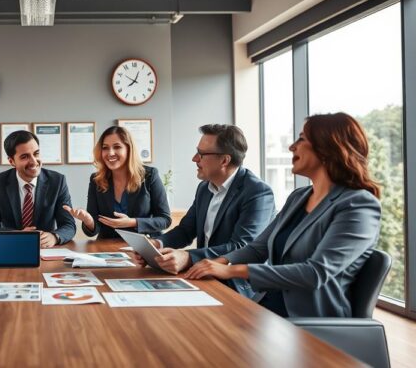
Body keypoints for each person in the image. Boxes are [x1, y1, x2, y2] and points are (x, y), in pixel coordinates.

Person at [186, 113, 381, 318]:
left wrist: (233, 270)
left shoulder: (359, 205)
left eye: (302, 139)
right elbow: (258, 248)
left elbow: (315, 273)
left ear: (328, 148)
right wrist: (219, 262)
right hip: (268, 307)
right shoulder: (299, 197)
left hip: (309, 321)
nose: (292, 147)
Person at [132, 124, 275, 298]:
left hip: (237, 287)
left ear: (224, 160)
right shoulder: (204, 188)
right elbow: (186, 231)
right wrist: (157, 245)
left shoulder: (257, 192)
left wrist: (189, 257)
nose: (194, 159)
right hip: (202, 278)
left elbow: (241, 247)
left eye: (201, 154)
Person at [63, 126, 171, 239]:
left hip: (145, 246)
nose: (110, 153)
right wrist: (88, 220)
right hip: (107, 248)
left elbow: (165, 220)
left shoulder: (149, 175)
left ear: (129, 149)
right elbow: (93, 229)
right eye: (105, 148)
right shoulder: (96, 180)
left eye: (117, 147)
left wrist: (133, 222)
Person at [0, 130, 76, 247]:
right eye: (25, 157)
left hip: (45, 250)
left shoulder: (57, 181)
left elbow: (69, 225)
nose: (33, 161)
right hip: (11, 246)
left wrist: (54, 237)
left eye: (36, 154)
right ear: (11, 161)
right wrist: (18, 235)